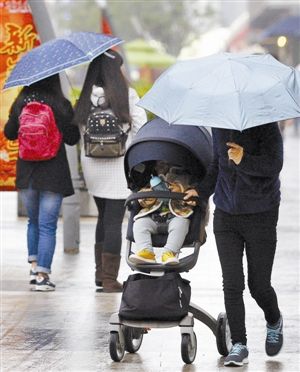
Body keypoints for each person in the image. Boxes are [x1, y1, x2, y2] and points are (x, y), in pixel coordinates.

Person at [197, 123, 284, 366]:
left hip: (262, 212)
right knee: (232, 283)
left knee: (259, 285)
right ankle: (239, 343)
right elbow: (216, 165)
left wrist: (244, 159)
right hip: (225, 214)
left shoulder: (267, 126)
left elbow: (274, 165)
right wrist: (199, 193)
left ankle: (274, 320)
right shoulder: (219, 126)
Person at [73, 50, 147, 293]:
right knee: (115, 220)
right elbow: (141, 126)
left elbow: (81, 131)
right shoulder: (127, 95)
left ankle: (100, 274)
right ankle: (109, 279)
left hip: (93, 165)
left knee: (103, 217)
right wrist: (128, 148)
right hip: (118, 164)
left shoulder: (86, 96)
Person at [4, 74, 80, 291]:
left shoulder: (21, 101)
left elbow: (9, 134)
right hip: (53, 173)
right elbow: (72, 138)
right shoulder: (59, 102)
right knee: (48, 225)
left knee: (33, 222)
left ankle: (34, 266)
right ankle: (42, 276)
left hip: (27, 171)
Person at [129, 162, 198, 265]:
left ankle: (169, 252)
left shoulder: (184, 182)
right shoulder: (151, 180)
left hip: (176, 215)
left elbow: (191, 199)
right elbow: (141, 198)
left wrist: (183, 193)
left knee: (181, 224)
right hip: (152, 216)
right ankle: (146, 251)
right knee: (140, 223)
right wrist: (147, 197)